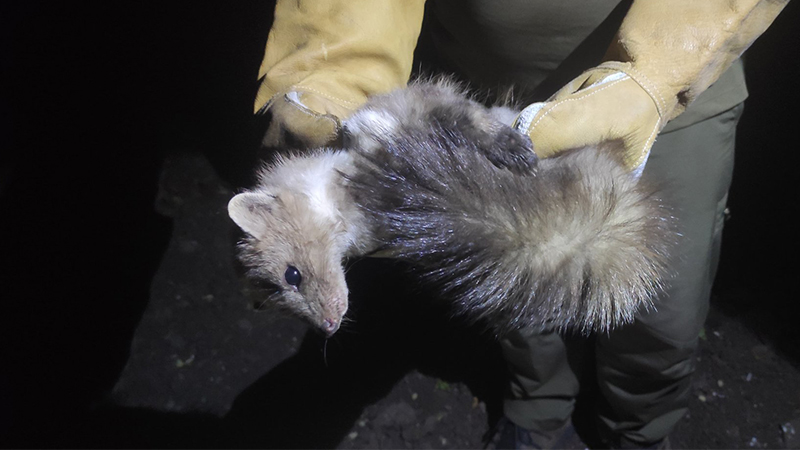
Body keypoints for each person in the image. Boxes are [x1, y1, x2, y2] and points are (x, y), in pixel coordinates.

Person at [252, 1, 787, 448]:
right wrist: (331, 75)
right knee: (510, 269)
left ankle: (641, 426)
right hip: (486, 88)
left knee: (662, 306)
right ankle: (539, 400)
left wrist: (655, 76)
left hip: (679, 94)